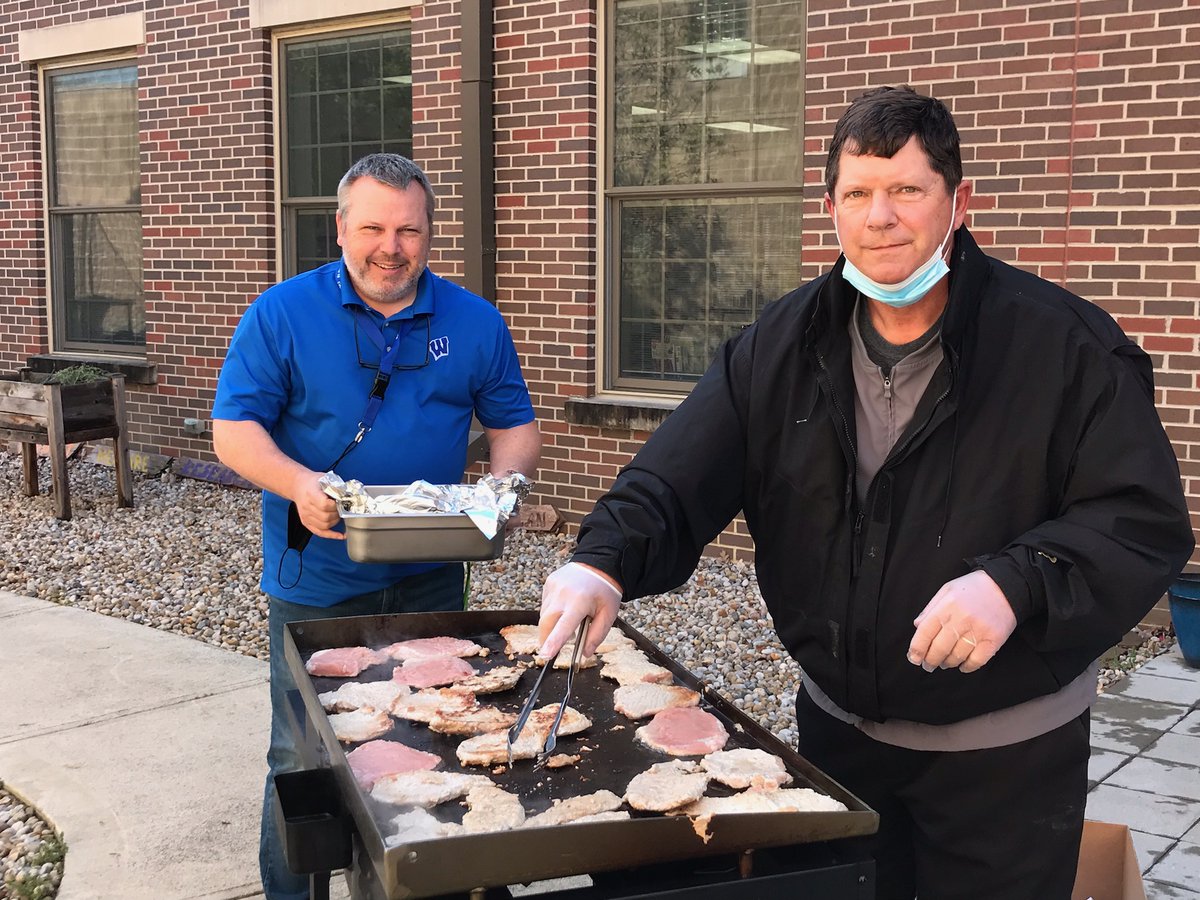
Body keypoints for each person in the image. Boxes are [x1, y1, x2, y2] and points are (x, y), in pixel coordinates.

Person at [536, 86, 1193, 900]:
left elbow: (1140, 520)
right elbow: (674, 476)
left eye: (907, 190)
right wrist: (601, 561)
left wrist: (1018, 582)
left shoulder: (1065, 347)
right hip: (837, 735)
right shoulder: (779, 345)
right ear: (832, 210)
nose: (880, 216)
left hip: (1004, 760)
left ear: (959, 203)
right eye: (858, 194)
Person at [211, 153, 540, 900]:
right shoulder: (282, 313)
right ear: (339, 229)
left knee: (431, 735)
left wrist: (501, 489)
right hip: (317, 578)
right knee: (302, 759)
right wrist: (300, 484)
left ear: (430, 234)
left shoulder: (474, 321)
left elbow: (515, 424)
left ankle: (423, 884)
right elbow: (233, 430)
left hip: (431, 571)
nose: (389, 247)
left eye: (407, 230)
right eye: (372, 228)